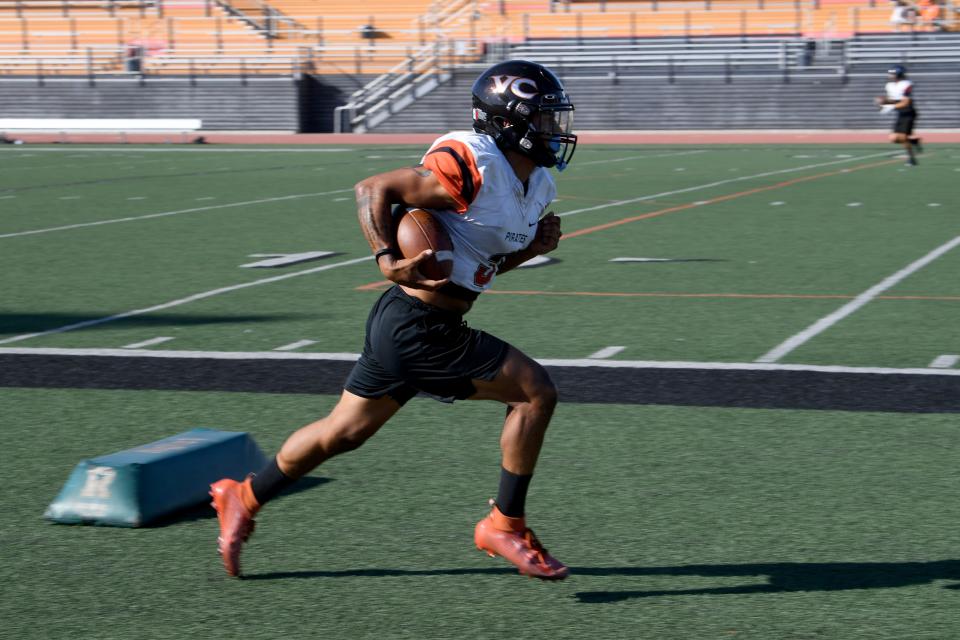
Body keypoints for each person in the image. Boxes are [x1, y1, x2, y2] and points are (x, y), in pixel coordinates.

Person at [209, 59, 578, 581]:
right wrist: (386, 257)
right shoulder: (473, 162)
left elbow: (481, 264)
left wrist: (530, 249)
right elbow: (372, 189)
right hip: (419, 327)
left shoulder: (535, 186)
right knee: (534, 391)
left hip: (412, 323)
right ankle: (504, 524)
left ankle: (243, 496)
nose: (552, 131)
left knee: (342, 432)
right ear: (506, 121)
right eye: (541, 120)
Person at [875, 64, 922, 166]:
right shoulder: (889, 85)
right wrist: (883, 101)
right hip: (901, 113)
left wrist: (890, 107)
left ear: (898, 74)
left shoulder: (907, 84)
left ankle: (911, 159)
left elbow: (905, 102)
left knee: (901, 136)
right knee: (894, 138)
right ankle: (914, 141)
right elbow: (892, 99)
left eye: (892, 73)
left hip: (909, 113)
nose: (890, 75)